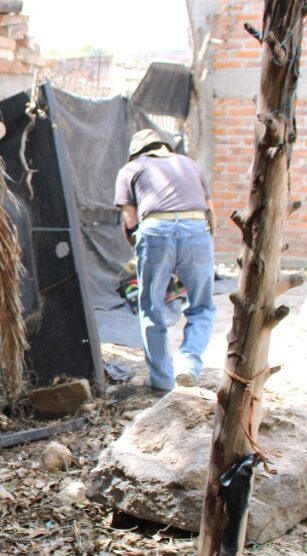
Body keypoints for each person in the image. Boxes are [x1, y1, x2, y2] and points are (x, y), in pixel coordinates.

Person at [113, 129, 217, 392]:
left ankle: (161, 381)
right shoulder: (190, 165)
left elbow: (130, 220)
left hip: (155, 229)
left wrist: (142, 252)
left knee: (151, 305)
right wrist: (200, 252)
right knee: (202, 305)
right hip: (197, 228)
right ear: (165, 147)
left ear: (137, 152)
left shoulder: (131, 169)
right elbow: (211, 213)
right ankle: (188, 362)